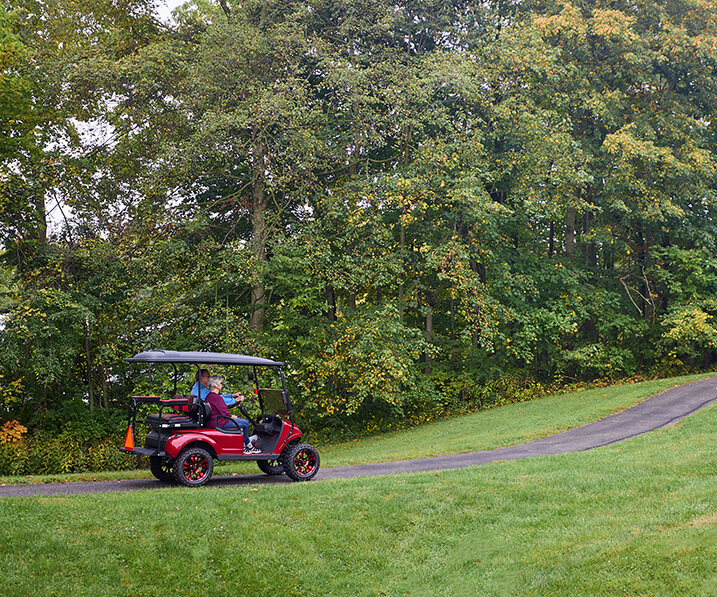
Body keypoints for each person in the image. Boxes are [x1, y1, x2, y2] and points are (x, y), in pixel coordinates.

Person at [205, 375, 260, 454]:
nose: (222, 385)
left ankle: (246, 444)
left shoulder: (210, 396)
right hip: (220, 422)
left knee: (241, 422)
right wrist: (232, 416)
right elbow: (224, 411)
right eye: (221, 383)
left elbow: (221, 409)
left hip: (215, 421)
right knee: (245, 423)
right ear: (216, 385)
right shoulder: (216, 398)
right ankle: (248, 446)